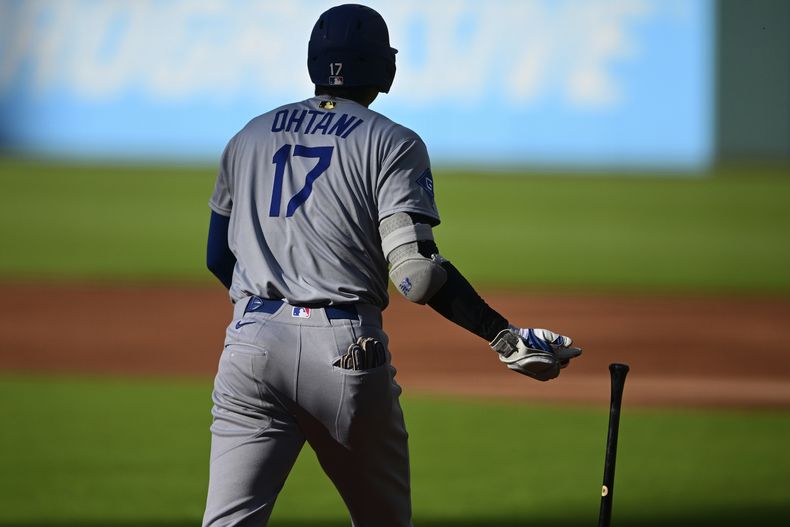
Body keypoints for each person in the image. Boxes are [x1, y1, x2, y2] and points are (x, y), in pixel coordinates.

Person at [202, 4, 582, 526]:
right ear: (383, 67)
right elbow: (416, 276)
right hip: (341, 350)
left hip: (248, 345)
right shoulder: (391, 141)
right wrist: (501, 335)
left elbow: (218, 256)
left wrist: (266, 314)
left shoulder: (248, 135)